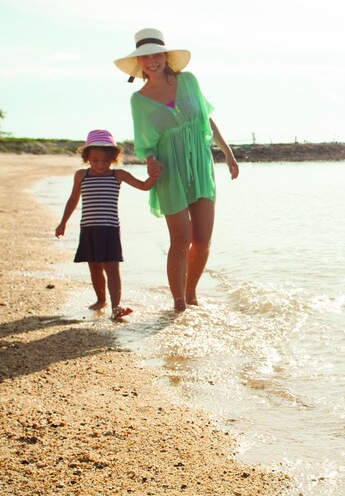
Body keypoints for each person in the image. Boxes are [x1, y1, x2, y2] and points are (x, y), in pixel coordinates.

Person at [115, 28, 239, 312]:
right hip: (169, 171)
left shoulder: (189, 81)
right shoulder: (139, 100)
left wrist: (228, 153)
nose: (151, 62)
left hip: (200, 166)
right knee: (181, 240)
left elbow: (206, 120)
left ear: (165, 56)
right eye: (144, 58)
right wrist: (151, 163)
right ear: (139, 63)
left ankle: (192, 291)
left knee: (203, 239)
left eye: (155, 55)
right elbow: (145, 144)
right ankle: (179, 303)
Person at [55, 129, 159, 319]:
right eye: (95, 160)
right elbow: (73, 200)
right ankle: (101, 299)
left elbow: (144, 186)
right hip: (89, 229)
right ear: (87, 157)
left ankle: (116, 307)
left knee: (112, 268)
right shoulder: (81, 175)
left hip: (110, 229)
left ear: (114, 158)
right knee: (94, 267)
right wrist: (63, 222)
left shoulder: (118, 175)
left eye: (105, 160)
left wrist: (154, 175)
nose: (100, 165)